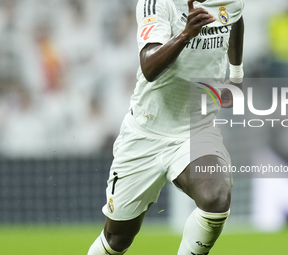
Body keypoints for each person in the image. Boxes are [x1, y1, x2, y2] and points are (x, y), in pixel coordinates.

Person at [87, 0, 244, 254]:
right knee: (117, 239)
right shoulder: (158, 3)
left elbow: (235, 18)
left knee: (216, 197)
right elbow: (149, 67)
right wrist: (185, 34)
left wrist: (236, 75)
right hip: (146, 132)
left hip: (197, 127)